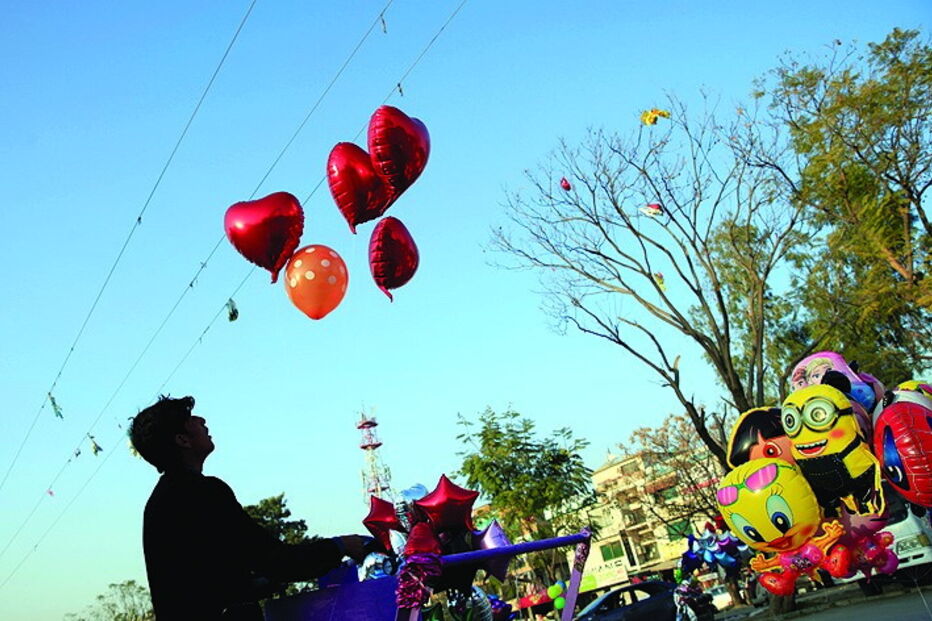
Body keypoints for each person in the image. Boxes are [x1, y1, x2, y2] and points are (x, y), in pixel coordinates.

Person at [129, 395, 370, 620]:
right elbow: (276, 560)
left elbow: (202, 581)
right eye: (190, 419)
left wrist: (256, 583)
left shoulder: (160, 504)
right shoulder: (203, 492)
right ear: (182, 440)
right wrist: (340, 546)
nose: (202, 420)